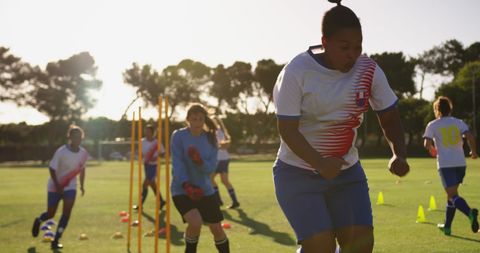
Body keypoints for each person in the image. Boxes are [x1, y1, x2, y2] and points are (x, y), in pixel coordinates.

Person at [272, 1, 410, 253]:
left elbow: (389, 116)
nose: (352, 54)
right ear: (324, 42)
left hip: (347, 174)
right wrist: (320, 163)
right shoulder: (297, 71)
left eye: (358, 47)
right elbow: (287, 129)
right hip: (297, 173)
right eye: (344, 47)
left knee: (360, 245)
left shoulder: (368, 70)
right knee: (320, 247)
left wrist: (398, 153)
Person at [170, 104, 230, 253]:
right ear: (188, 119)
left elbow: (210, 169)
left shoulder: (210, 139)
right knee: (195, 222)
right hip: (181, 189)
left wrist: (199, 161)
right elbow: (177, 163)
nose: (197, 122)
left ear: (204, 120)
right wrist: (185, 184)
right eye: (194, 119)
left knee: (216, 228)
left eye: (200, 119)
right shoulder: (178, 136)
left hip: (205, 190)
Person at [423, 96, 479, 236]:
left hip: (445, 164)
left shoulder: (433, 125)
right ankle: (447, 227)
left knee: (452, 195)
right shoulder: (459, 122)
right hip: (460, 163)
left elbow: (426, 143)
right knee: (452, 196)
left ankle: (470, 213)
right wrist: (473, 151)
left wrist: (432, 150)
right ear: (450, 109)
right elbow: (470, 137)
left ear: (437, 109)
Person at [31, 125, 89, 249]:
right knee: (50, 214)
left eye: (80, 137)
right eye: (75, 137)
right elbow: (52, 168)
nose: (77, 140)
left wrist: (82, 186)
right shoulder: (61, 151)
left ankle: (56, 240)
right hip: (54, 185)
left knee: (66, 213)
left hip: (70, 187)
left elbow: (82, 170)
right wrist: (57, 186)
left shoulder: (83, 153)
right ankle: (39, 220)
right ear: (70, 138)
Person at [133, 124, 166, 211]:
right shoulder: (142, 141)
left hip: (154, 166)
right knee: (152, 184)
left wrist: (157, 156)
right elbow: (140, 153)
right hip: (146, 165)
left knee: (145, 184)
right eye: (145, 131)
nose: (147, 133)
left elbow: (163, 153)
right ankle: (161, 201)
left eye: (149, 131)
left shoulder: (157, 142)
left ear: (153, 133)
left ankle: (140, 205)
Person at [210, 116, 240, 209]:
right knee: (224, 181)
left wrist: (216, 146)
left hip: (219, 159)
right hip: (225, 159)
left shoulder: (216, 131)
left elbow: (222, 145)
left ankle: (218, 201)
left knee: (210, 179)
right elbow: (224, 144)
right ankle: (235, 201)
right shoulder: (222, 131)